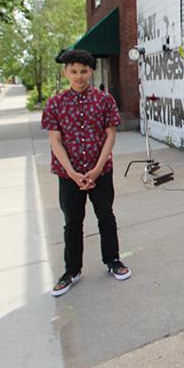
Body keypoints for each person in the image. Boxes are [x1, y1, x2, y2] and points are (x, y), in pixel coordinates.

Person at [42, 49, 130, 296]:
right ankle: (72, 270)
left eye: (83, 71)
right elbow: (55, 141)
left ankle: (113, 260)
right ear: (66, 73)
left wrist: (98, 168)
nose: (79, 76)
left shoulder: (104, 100)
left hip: (100, 171)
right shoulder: (55, 103)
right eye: (73, 71)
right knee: (72, 222)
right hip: (68, 175)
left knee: (106, 216)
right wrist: (72, 173)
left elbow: (110, 134)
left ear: (91, 71)